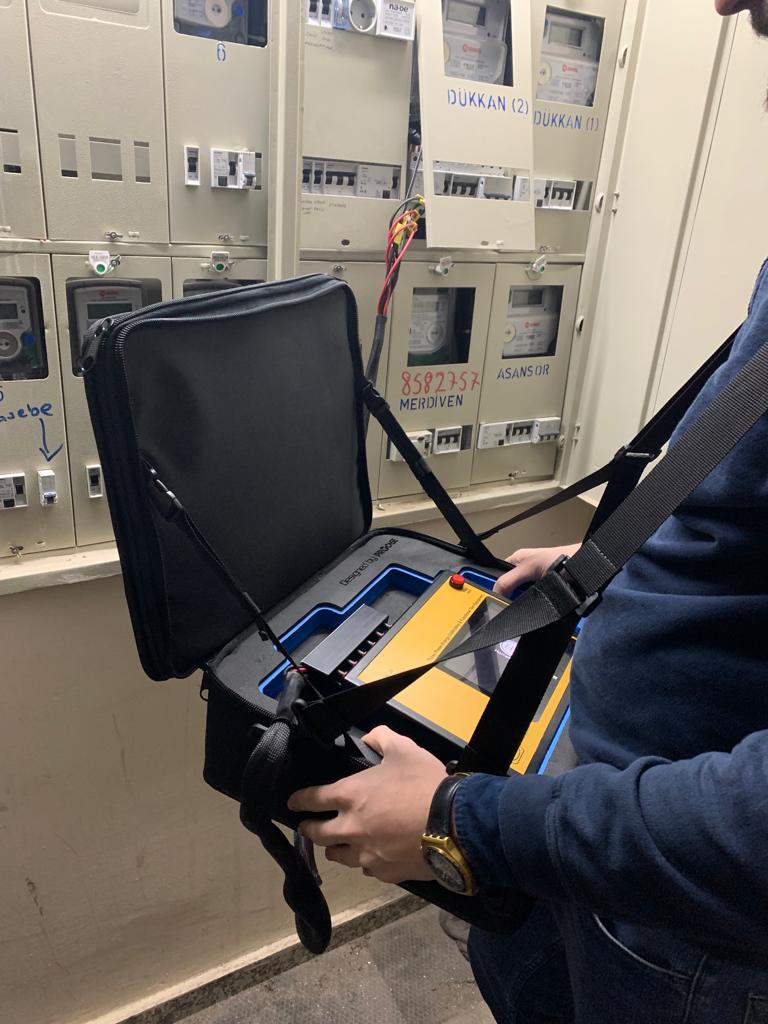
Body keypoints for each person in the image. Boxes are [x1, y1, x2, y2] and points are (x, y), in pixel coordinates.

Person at [288, 2, 768, 1019]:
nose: (726, 9)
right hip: (609, 822)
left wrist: (465, 821)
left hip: (692, 937)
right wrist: (623, 565)